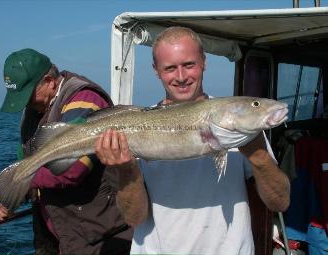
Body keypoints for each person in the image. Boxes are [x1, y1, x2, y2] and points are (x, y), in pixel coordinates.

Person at [94, 27, 291, 255]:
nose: (181, 77)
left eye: (189, 64)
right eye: (170, 68)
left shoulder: (240, 125)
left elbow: (280, 203)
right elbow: (134, 218)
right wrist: (126, 170)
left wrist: (259, 156)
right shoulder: (130, 130)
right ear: (156, 71)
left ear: (204, 62)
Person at [0, 48, 132, 255]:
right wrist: (8, 199)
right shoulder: (33, 111)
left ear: (49, 81)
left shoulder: (84, 99)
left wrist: (15, 182)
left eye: (27, 96)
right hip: (61, 235)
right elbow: (29, 164)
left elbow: (71, 169)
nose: (25, 104)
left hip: (99, 237)